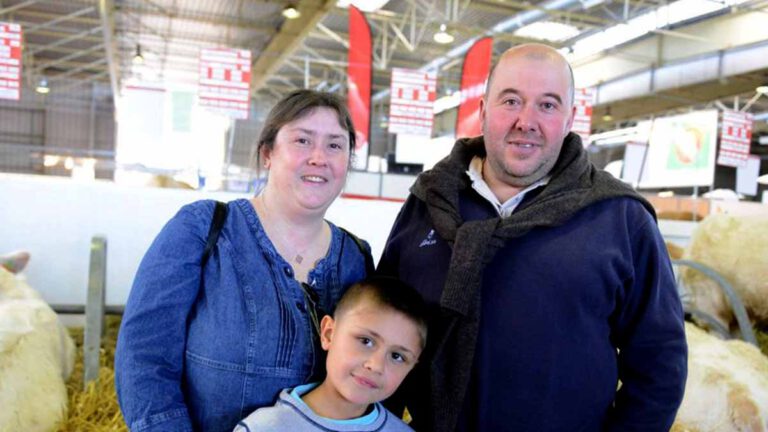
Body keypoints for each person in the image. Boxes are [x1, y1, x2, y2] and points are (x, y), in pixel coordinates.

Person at [377, 43, 688, 431]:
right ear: (483, 110)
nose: (526, 120)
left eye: (547, 104)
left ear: (570, 117)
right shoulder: (429, 202)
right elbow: (381, 327)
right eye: (511, 100)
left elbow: (660, 363)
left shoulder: (621, 217)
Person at [115, 89, 372, 432]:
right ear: (268, 154)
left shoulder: (356, 258)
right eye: (302, 140)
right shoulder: (203, 230)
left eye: (335, 145)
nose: (319, 157)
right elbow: (144, 359)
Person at [234, 276, 427, 432]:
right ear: (328, 334)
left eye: (397, 356)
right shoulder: (263, 427)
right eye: (366, 341)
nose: (376, 365)